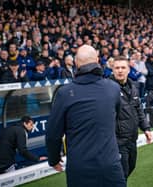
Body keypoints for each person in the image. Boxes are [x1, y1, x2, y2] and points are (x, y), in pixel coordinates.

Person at [46, 45, 126, 187]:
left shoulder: (64, 93)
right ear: (97, 60)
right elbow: (116, 118)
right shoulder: (113, 88)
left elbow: (53, 134)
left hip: (80, 168)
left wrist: (53, 159)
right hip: (110, 164)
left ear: (76, 63)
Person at [111, 56, 152, 180]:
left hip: (132, 138)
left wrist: (146, 128)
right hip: (117, 141)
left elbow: (138, 110)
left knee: (131, 167)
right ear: (112, 70)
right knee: (121, 175)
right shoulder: (107, 88)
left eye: (123, 67)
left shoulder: (133, 87)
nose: (120, 70)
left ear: (129, 70)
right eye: (117, 67)